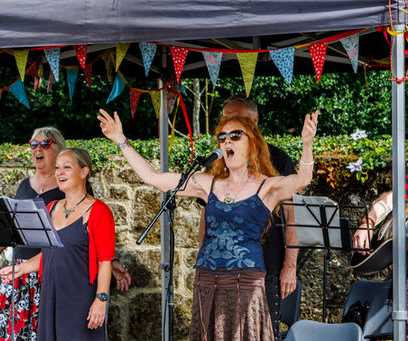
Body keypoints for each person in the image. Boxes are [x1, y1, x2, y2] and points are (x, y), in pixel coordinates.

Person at [97, 108, 318, 340]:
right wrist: (120, 140)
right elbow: (153, 178)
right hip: (207, 282)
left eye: (235, 135)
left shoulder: (267, 186)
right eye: (222, 137)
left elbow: (302, 181)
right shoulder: (208, 183)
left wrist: (306, 144)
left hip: (245, 285)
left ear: (252, 142)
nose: (227, 141)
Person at [0, 128, 130, 341]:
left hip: (68, 285)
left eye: (45, 144)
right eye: (33, 144)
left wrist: (104, 288)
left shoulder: (91, 204)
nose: (38, 148)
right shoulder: (39, 198)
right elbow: (17, 237)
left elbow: (96, 249)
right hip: (35, 280)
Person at [198, 95, 298, 340]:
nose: (229, 126)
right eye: (225, 119)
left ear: (254, 121)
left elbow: (291, 215)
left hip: (267, 262)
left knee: (261, 331)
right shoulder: (218, 160)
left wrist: (290, 265)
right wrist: (203, 256)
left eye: (237, 119)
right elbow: (206, 214)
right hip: (220, 269)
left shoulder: (278, 158)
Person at [0, 148, 115, 340]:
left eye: (67, 167)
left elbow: (105, 261)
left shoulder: (99, 211)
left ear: (84, 172)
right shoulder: (51, 207)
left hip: (80, 299)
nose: (59, 173)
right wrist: (21, 269)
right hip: (50, 296)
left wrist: (100, 299)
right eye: (57, 168)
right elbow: (50, 254)